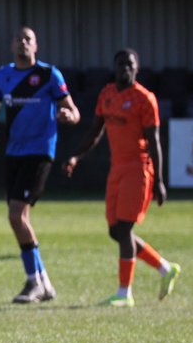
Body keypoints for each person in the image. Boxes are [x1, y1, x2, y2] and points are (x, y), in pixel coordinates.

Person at [62, 48, 181, 306]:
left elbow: (154, 141)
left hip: (138, 169)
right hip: (117, 169)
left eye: (130, 64)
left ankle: (124, 293)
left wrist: (159, 180)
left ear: (137, 69)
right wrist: (76, 156)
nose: (124, 68)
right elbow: (95, 131)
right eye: (120, 64)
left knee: (125, 228)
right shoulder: (107, 94)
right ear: (114, 68)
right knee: (116, 231)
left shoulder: (144, 99)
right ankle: (164, 268)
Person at [0, 27, 81, 304]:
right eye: (18, 38)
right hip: (13, 152)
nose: (23, 43)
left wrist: (68, 115)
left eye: (28, 39)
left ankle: (33, 281)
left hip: (40, 151)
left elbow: (74, 112)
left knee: (16, 216)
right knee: (19, 218)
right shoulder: (3, 76)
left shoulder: (50, 75)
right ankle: (43, 283)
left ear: (36, 45)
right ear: (11, 45)